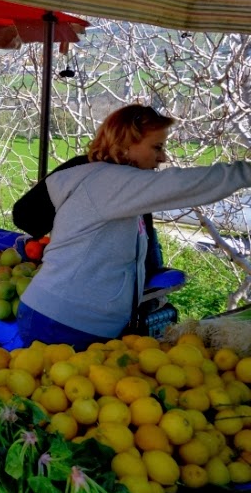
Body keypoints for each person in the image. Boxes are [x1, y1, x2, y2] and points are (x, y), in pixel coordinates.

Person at [16, 104, 251, 349]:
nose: (163, 158)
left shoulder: (118, 185)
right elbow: (184, 184)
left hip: (77, 320)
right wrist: (245, 172)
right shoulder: (107, 184)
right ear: (125, 145)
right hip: (63, 323)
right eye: (157, 147)